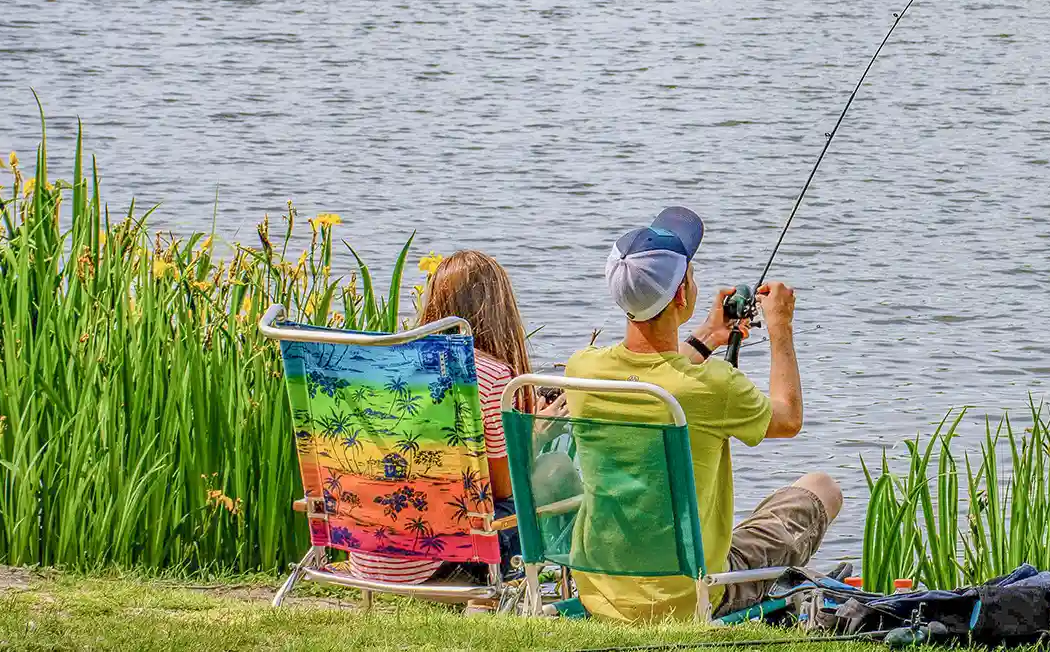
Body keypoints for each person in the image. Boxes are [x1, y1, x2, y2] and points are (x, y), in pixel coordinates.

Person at [562, 206, 842, 622]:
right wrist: (781, 326)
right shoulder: (714, 385)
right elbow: (788, 418)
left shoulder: (583, 371)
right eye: (690, 272)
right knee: (821, 487)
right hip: (690, 593)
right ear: (680, 295)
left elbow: (658, 378)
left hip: (601, 588)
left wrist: (709, 336)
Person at [349, 249, 533, 586]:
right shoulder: (490, 375)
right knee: (538, 489)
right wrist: (536, 434)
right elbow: (503, 487)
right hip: (437, 558)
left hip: (369, 551)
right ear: (500, 310)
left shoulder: (387, 365)